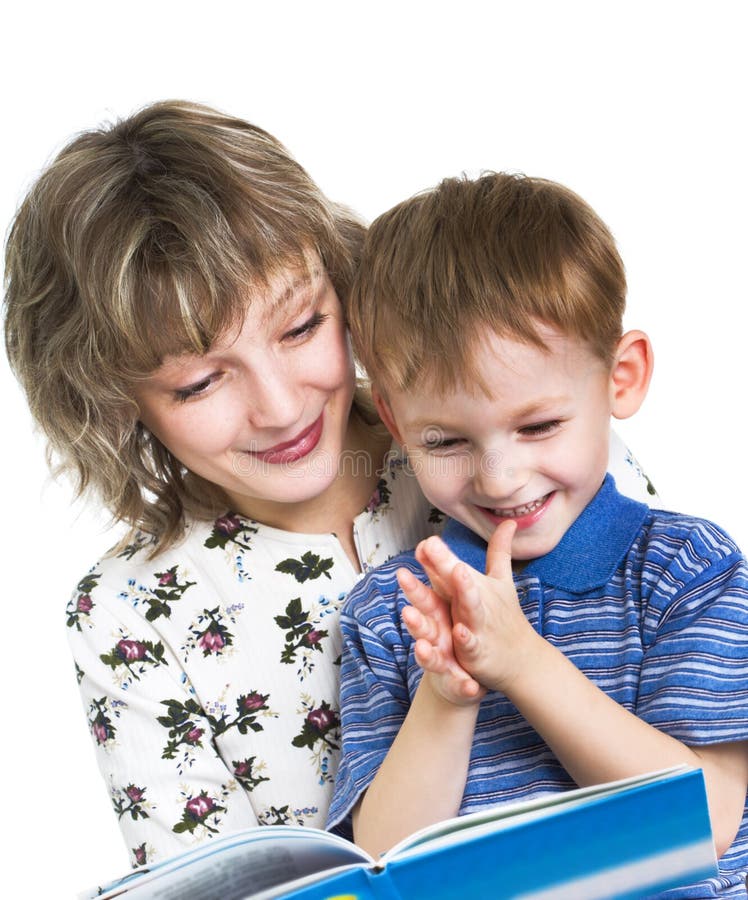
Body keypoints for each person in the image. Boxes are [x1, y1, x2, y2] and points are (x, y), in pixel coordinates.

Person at [3, 103, 652, 870]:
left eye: (302, 327)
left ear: (344, 282)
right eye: (202, 381)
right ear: (112, 404)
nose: (280, 409)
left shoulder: (510, 456)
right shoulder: (129, 616)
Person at [327, 173, 748, 896]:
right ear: (393, 423)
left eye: (538, 426)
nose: (499, 478)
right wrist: (448, 694)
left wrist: (522, 664)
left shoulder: (686, 570)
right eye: (446, 440)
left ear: (621, 377)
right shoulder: (391, 610)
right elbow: (381, 866)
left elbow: (705, 820)